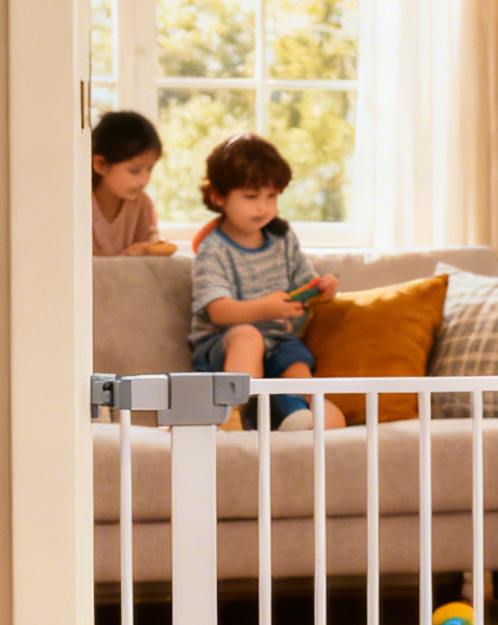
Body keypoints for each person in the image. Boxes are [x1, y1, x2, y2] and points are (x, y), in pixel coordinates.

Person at [187, 133, 340, 430]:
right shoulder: (213, 249)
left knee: (296, 365)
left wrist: (322, 290)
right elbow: (219, 311)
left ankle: (300, 417)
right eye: (251, 197)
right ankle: (232, 418)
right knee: (248, 336)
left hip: (278, 343)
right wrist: (266, 309)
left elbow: (304, 289)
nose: (263, 208)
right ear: (218, 197)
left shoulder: (282, 237)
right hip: (224, 348)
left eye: (271, 197)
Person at [89, 110, 174, 257]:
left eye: (149, 169)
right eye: (135, 171)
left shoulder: (142, 204)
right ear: (100, 164)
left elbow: (158, 252)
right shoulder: (81, 204)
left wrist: (143, 249)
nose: (144, 180)